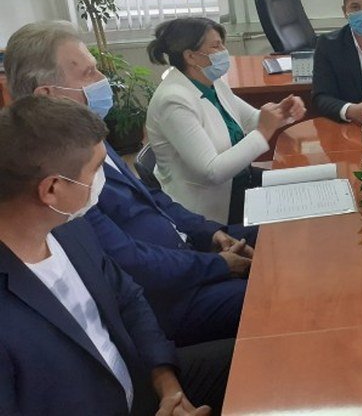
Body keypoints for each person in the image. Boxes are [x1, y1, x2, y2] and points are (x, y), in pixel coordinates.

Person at [5, 22, 256, 347]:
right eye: (89, 73)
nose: (103, 80)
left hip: (190, 255)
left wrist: (210, 233)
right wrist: (217, 265)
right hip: (170, 298)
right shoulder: (60, 179)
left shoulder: (89, 136)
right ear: (48, 95)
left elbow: (152, 198)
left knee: (278, 238)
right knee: (277, 292)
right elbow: (131, 260)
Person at [0, 95, 230, 415]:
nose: (102, 181)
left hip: (144, 382)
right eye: (96, 169)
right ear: (52, 189)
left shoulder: (71, 228)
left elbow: (129, 300)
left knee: (262, 354)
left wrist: (168, 386)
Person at [146, 17, 306, 224]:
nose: (224, 51)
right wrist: (263, 132)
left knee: (306, 187)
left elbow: (251, 120)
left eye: (222, 44)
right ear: (191, 56)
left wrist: (282, 112)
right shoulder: (173, 101)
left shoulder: (211, 83)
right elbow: (211, 172)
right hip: (209, 211)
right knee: (292, 223)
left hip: (239, 183)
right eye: (216, 46)